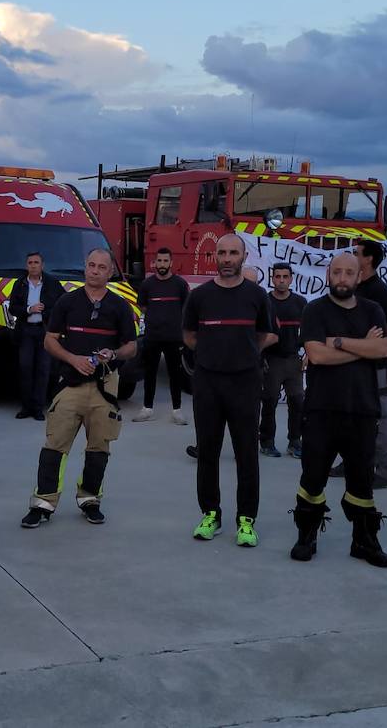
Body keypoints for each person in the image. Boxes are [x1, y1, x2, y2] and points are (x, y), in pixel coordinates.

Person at [19, 248, 137, 529]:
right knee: (54, 446)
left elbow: (132, 347)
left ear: (110, 272)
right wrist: (73, 359)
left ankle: (90, 500)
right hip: (70, 385)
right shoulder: (67, 302)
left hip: (104, 388)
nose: (94, 271)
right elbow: (49, 340)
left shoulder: (120, 306)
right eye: (90, 265)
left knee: (99, 448)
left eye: (101, 267)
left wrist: (114, 354)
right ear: (85, 267)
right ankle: (43, 504)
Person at [291, 252, 387, 568]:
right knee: (313, 477)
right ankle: (307, 535)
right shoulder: (315, 311)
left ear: (359, 276)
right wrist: (359, 346)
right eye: (337, 272)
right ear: (328, 274)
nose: (343, 278)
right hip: (322, 410)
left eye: (349, 273)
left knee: (361, 481)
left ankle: (364, 541)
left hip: (363, 410)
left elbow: (384, 348)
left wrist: (337, 342)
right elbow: (316, 355)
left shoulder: (373, 310)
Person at [183, 233, 275, 547]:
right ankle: (211, 514)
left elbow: (263, 334)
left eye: (232, 253)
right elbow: (189, 335)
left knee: (246, 453)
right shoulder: (200, 296)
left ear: (243, 256)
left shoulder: (257, 296)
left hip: (245, 383)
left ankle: (246, 520)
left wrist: (243, 354)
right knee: (208, 451)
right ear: (215, 257)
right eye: (221, 252)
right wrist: (213, 354)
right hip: (208, 383)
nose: (226, 259)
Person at [330, 240, 387, 488]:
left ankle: (385, 470)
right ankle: (350, 461)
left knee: (380, 416)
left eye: (356, 253)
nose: (352, 256)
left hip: (376, 366)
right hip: (355, 364)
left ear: (368, 259)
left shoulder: (380, 293)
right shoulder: (355, 288)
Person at [133, 247, 190, 425]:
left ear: (171, 263)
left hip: (174, 338)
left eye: (166, 261)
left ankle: (177, 411)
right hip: (152, 337)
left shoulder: (180, 284)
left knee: (175, 374)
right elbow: (142, 306)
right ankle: (147, 409)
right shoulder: (147, 285)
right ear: (154, 263)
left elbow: (185, 307)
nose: (162, 264)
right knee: (150, 373)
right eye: (160, 261)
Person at [8, 251, 64, 420]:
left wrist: (46, 311)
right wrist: (28, 310)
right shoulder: (20, 283)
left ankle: (38, 409)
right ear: (26, 265)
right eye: (30, 262)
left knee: (43, 370)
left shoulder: (52, 283)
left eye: (36, 262)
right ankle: (26, 407)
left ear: (42, 265)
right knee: (25, 369)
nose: (33, 265)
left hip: (44, 331)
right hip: (26, 331)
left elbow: (61, 305)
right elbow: (12, 308)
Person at [259, 263, 307, 459]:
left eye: (285, 277)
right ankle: (267, 442)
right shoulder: (266, 302)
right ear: (272, 279)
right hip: (271, 360)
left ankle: (295, 442)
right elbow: (259, 331)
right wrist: (261, 357)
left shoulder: (300, 303)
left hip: (293, 360)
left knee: (297, 401)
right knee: (269, 401)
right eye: (277, 276)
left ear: (291, 279)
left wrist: (308, 354)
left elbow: (308, 331)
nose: (281, 280)